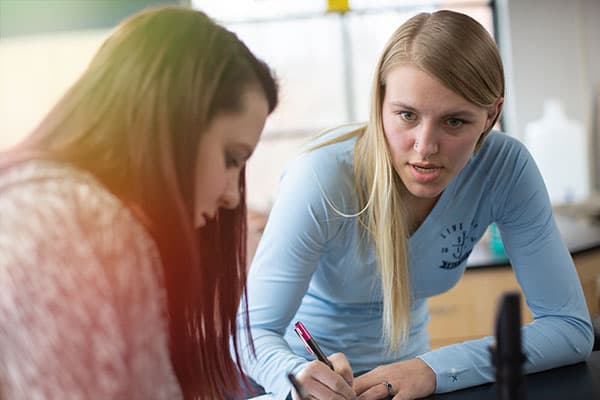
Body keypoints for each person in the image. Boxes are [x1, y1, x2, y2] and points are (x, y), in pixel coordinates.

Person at [235, 9, 593, 400]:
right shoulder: (320, 177)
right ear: (380, 102)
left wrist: (434, 369)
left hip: (412, 381)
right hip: (304, 383)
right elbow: (252, 333)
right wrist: (297, 377)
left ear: (490, 116)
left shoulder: (504, 168)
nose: (425, 147)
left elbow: (569, 327)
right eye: (406, 115)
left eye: (454, 122)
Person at [0, 6, 277, 400]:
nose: (233, 194)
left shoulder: (53, 208)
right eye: (230, 158)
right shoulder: (73, 225)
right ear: (173, 124)